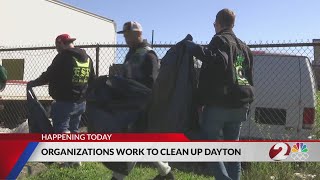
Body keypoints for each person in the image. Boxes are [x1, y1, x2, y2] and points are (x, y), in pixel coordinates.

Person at [184, 9, 254, 180]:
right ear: (233, 24)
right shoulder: (243, 46)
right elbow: (243, 77)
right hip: (241, 104)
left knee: (209, 146)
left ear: (218, 23)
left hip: (219, 105)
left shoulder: (219, 40)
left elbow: (216, 60)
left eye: (214, 24)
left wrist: (193, 48)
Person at [109, 21, 174, 180]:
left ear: (138, 34)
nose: (125, 38)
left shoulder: (149, 54)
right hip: (130, 105)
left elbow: (152, 84)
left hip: (143, 107)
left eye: (127, 34)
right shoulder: (131, 53)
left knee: (134, 143)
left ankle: (117, 177)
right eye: (124, 35)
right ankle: (166, 173)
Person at [27, 34, 95, 134]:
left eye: (57, 46)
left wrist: (33, 83)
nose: (57, 49)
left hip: (64, 103)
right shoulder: (87, 58)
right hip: (81, 103)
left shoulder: (63, 56)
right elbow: (92, 79)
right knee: (73, 132)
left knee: (61, 133)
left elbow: (49, 75)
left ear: (61, 43)